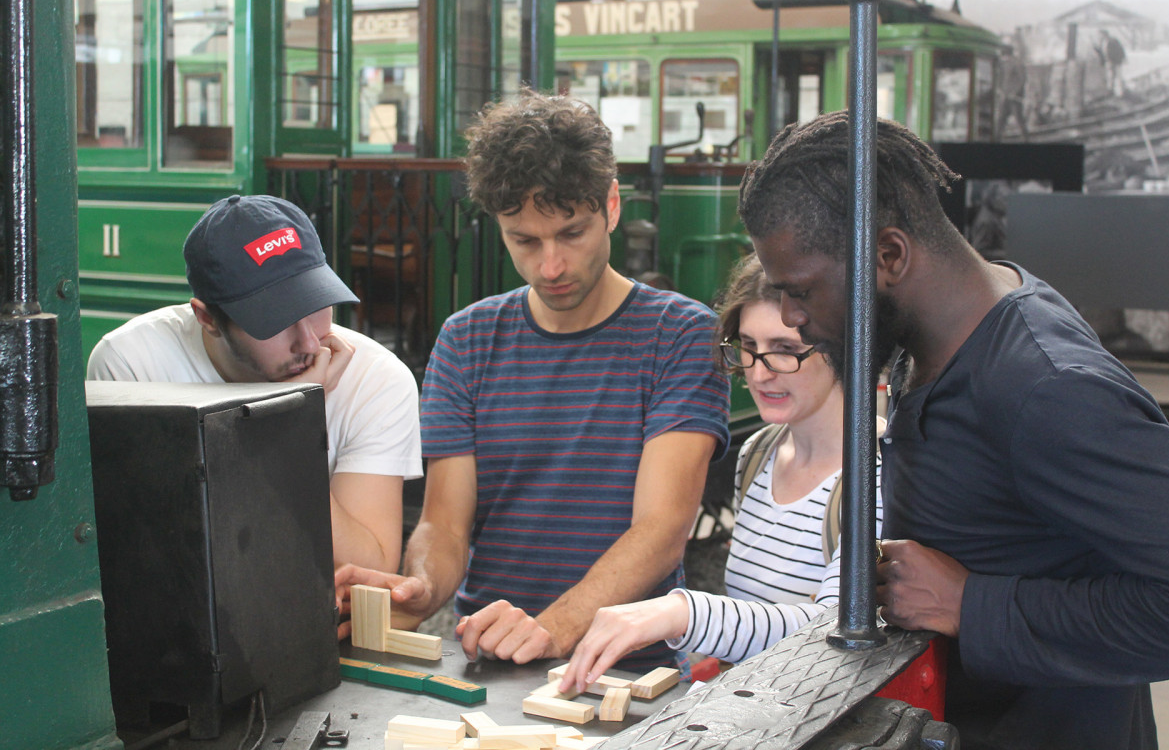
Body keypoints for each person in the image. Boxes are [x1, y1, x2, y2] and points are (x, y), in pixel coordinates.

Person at [737, 110, 1169, 750]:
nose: (792, 318)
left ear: (889, 254)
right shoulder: (927, 344)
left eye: (800, 292)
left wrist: (969, 604)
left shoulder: (1045, 387)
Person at [341, 90, 730, 672]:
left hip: (625, 665)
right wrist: (419, 586)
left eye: (571, 234)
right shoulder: (466, 339)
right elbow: (444, 523)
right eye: (524, 240)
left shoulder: (680, 334)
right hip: (490, 657)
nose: (550, 265)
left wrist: (553, 629)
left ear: (613, 206)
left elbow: (662, 529)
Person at [559, 253, 882, 693]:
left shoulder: (878, 475)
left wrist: (681, 613)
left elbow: (836, 633)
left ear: (842, 346)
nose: (760, 372)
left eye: (785, 350)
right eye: (748, 347)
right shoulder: (758, 454)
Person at [87, 194, 422, 573]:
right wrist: (287, 417)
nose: (310, 344)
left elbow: (366, 574)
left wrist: (297, 417)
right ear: (207, 318)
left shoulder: (376, 379)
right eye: (275, 320)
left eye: (316, 305)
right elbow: (147, 557)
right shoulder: (131, 366)